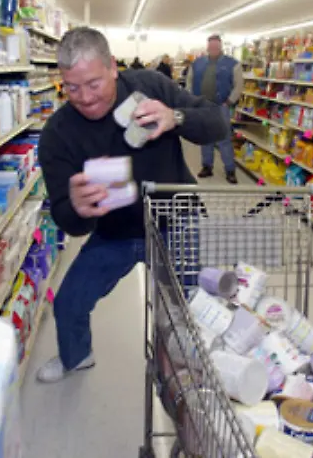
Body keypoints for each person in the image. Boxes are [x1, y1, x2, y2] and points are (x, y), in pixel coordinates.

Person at [36, 27, 230, 383]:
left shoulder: (150, 87)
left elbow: (218, 124)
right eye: (72, 87)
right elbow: (69, 222)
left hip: (177, 220)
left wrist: (176, 117)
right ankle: (76, 356)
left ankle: (190, 375)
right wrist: (76, 208)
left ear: (112, 66)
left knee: (185, 308)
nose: (85, 98)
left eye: (94, 84)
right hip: (116, 232)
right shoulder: (57, 134)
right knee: (68, 303)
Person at [187, 34, 244, 184]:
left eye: (216, 46)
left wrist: (230, 100)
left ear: (220, 47)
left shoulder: (233, 64)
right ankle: (207, 166)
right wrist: (191, 100)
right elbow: (189, 81)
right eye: (211, 46)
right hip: (202, 106)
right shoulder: (197, 63)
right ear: (207, 47)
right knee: (205, 137)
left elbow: (239, 85)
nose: (213, 49)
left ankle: (230, 170)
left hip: (221, 106)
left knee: (224, 139)